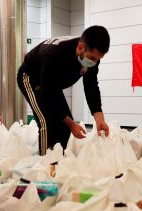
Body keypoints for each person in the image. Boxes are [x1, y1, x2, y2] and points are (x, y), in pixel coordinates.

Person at [17, 25, 111, 155]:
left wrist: (99, 120)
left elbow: (91, 87)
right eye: (92, 58)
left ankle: (58, 160)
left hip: (51, 83)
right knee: (46, 122)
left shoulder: (92, 58)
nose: (94, 62)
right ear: (80, 47)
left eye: (98, 59)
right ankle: (47, 164)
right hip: (31, 78)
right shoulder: (54, 54)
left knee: (64, 126)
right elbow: (47, 94)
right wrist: (72, 124)